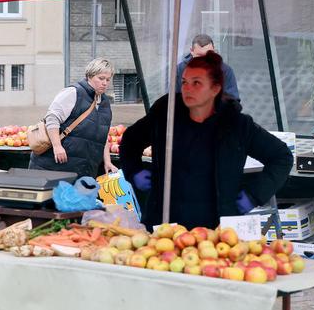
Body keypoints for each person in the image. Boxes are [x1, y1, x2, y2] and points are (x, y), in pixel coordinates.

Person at [120, 51, 292, 229]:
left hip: (217, 228)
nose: (187, 89)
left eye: (197, 83)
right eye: (184, 82)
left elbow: (282, 156)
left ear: (215, 89)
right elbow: (130, 139)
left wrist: (254, 195)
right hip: (164, 223)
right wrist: (134, 170)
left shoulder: (236, 124)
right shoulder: (166, 113)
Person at [29, 58, 117, 177]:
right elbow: (52, 118)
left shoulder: (105, 103)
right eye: (101, 78)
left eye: (108, 79)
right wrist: (57, 146)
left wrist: (107, 162)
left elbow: (103, 136)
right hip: (55, 167)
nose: (105, 83)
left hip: (83, 171)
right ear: (89, 76)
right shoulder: (74, 92)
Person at [177, 34, 239, 100]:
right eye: (200, 56)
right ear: (192, 51)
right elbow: (171, 100)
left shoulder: (225, 70)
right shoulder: (180, 69)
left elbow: (233, 101)